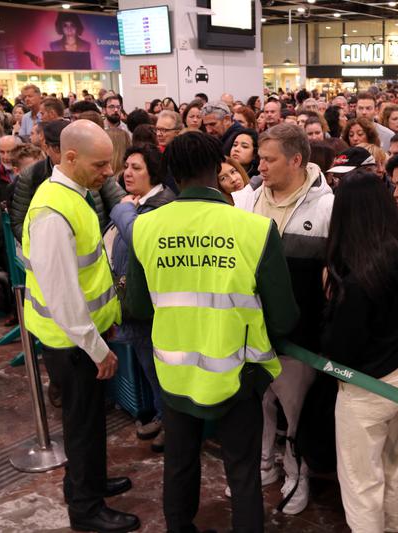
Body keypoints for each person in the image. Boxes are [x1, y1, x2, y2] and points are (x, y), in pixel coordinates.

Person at [124, 131, 299, 532]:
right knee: (242, 470)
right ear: (217, 170)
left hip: (174, 372)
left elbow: (136, 306)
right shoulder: (255, 229)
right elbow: (284, 316)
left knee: (179, 462)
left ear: (169, 174)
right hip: (238, 372)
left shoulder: (144, 228)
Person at [21, 120, 139, 533]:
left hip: (83, 337)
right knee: (82, 424)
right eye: (102, 164)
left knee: (89, 420)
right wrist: (96, 347)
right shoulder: (53, 210)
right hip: (72, 343)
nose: (109, 173)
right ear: (69, 157)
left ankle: (89, 482)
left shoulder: (74, 195)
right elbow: (63, 295)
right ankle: (85, 509)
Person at [232, 123, 334, 515]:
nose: (260, 166)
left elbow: (331, 276)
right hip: (251, 330)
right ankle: (265, 463)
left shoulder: (326, 207)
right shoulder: (249, 200)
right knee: (259, 404)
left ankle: (297, 473)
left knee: (295, 413)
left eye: (269, 159)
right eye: (259, 157)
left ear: (296, 160)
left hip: (299, 336)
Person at [322, 171, 398, 533]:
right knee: (391, 463)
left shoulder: (356, 280)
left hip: (366, 388)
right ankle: (394, 526)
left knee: (360, 482)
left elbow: (341, 350)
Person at [108, 145, 175, 453]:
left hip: (147, 304)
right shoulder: (136, 202)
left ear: (154, 173)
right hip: (132, 301)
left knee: (158, 367)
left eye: (136, 167)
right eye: (127, 166)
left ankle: (171, 423)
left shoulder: (158, 205)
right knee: (148, 366)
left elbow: (137, 241)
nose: (128, 173)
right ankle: (162, 416)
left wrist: (123, 211)